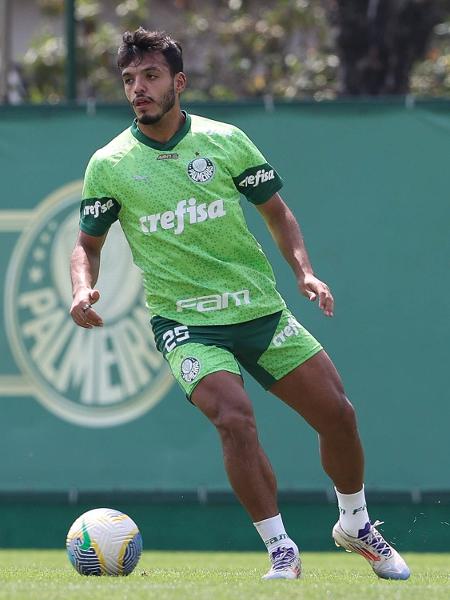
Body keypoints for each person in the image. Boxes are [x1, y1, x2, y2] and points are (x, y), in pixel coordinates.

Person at [70, 27, 410, 581]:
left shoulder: (224, 140)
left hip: (260, 311)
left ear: (178, 82)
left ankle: (355, 523)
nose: (138, 89)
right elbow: (87, 246)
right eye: (129, 80)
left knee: (339, 416)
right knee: (234, 417)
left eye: (151, 76)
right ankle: (281, 548)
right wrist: (82, 287)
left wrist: (304, 272)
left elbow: (276, 212)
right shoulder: (109, 164)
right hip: (186, 324)